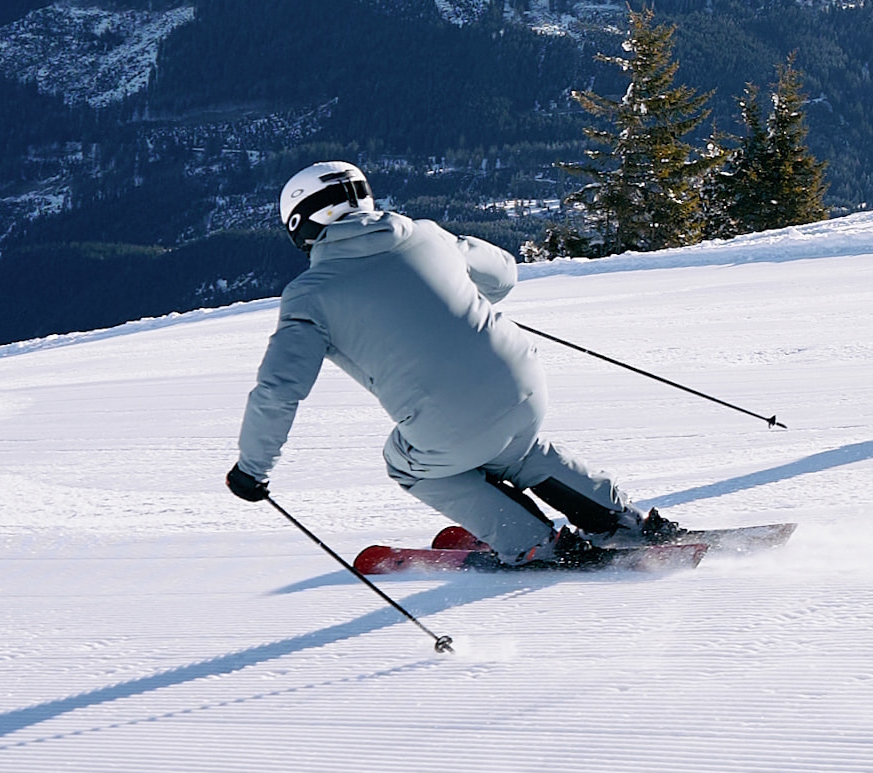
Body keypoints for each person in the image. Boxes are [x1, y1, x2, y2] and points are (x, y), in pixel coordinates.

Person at [221, 160, 688, 565]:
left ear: (299, 224)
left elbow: (279, 391)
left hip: (452, 422)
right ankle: (620, 520)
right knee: (516, 449)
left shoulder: (310, 294)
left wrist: (252, 469)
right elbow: (503, 275)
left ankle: (530, 543)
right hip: (524, 386)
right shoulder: (427, 234)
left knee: (408, 462)